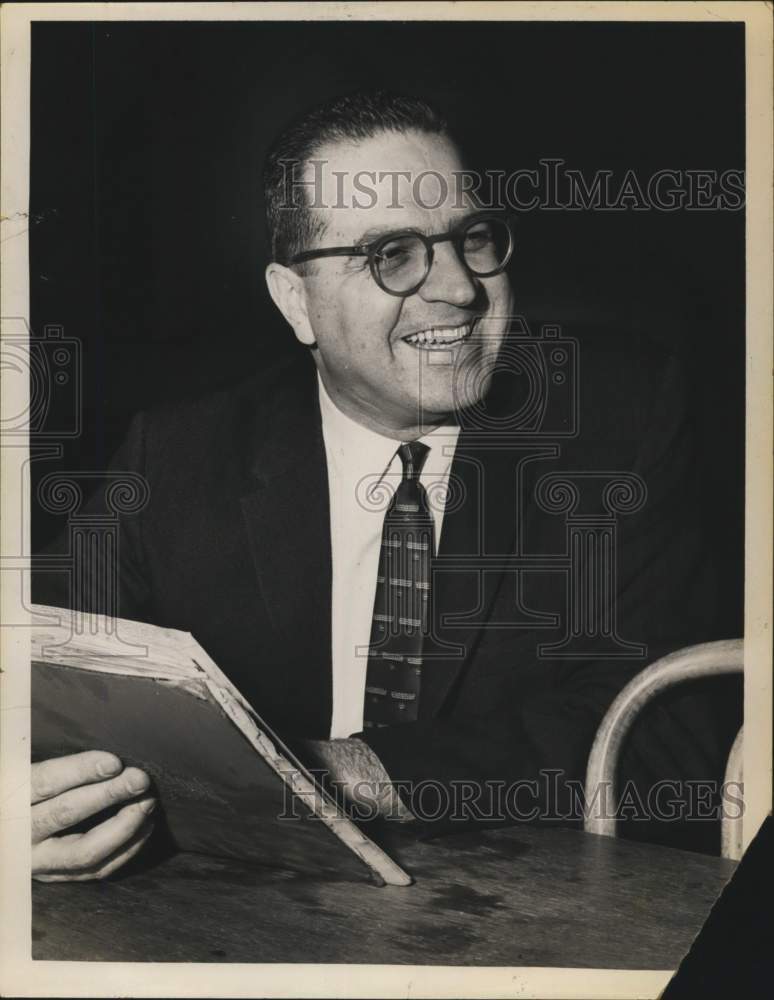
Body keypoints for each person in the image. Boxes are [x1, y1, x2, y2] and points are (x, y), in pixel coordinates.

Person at [31, 91, 736, 881]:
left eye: (471, 239)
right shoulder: (177, 455)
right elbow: (37, 671)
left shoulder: (620, 421)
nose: (460, 290)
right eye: (393, 254)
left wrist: (353, 774)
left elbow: (670, 727)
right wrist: (37, 805)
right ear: (295, 301)